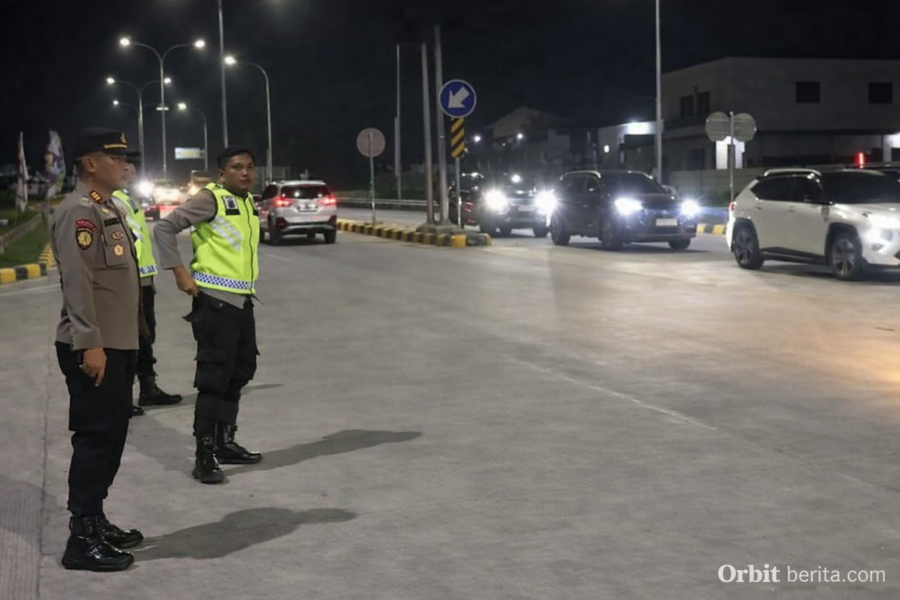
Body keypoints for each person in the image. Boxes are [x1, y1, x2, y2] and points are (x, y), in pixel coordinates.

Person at [52, 128, 145, 571]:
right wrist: (90, 343)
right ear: (90, 163)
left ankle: (96, 518)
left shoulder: (109, 208)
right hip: (95, 345)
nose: (126, 164)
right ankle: (81, 538)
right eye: (117, 158)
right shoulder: (79, 213)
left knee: (112, 437)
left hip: (117, 342)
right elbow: (78, 283)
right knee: (95, 439)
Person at [154, 146, 263, 485]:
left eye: (249, 167)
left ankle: (225, 441)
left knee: (241, 370)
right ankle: (204, 455)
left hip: (242, 301)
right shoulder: (211, 199)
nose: (244, 173)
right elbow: (163, 228)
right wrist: (179, 273)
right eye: (236, 167)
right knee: (214, 380)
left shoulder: (246, 202)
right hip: (215, 303)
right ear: (221, 173)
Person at [111, 156, 182, 416]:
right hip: (128, 278)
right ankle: (123, 396)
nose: (128, 168)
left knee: (145, 334)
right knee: (130, 338)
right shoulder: (111, 198)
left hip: (143, 276)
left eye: (132, 165)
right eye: (123, 163)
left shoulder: (127, 196)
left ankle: (148, 388)